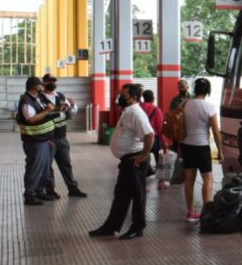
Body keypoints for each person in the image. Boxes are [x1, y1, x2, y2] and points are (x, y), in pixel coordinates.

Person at [89, 83, 155, 240]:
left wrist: (142, 156)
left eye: (123, 96)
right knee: (121, 195)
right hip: (127, 161)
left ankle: (137, 228)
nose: (119, 98)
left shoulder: (136, 114)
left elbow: (150, 135)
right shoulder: (127, 111)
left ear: (133, 97)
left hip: (135, 160)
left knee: (137, 196)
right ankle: (111, 226)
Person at [180, 77, 224, 223]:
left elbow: (181, 126)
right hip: (201, 146)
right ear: (208, 91)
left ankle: (190, 212)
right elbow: (216, 131)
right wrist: (220, 151)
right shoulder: (209, 107)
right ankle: (206, 212)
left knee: (189, 180)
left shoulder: (185, 104)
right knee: (208, 179)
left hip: (187, 145)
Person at [40, 74, 86, 198]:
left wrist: (74, 106)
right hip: (47, 139)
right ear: (43, 82)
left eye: (54, 80)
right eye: (49, 80)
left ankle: (73, 189)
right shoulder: (39, 99)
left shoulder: (61, 96)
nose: (52, 82)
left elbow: (69, 114)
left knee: (66, 165)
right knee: (47, 167)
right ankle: (50, 191)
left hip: (62, 137)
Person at [17, 76, 59, 206]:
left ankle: (40, 191)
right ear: (35, 86)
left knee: (44, 167)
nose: (43, 87)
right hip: (34, 141)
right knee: (35, 168)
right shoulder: (26, 100)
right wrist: (47, 111)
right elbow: (31, 119)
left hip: (43, 140)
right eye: (41, 85)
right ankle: (30, 194)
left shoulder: (37, 99)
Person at [139, 90, 167, 187]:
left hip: (141, 138)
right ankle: (161, 182)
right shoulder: (156, 110)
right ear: (153, 97)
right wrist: (164, 142)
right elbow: (160, 128)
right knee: (159, 159)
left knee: (143, 158)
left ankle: (142, 182)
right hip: (154, 139)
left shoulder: (139, 108)